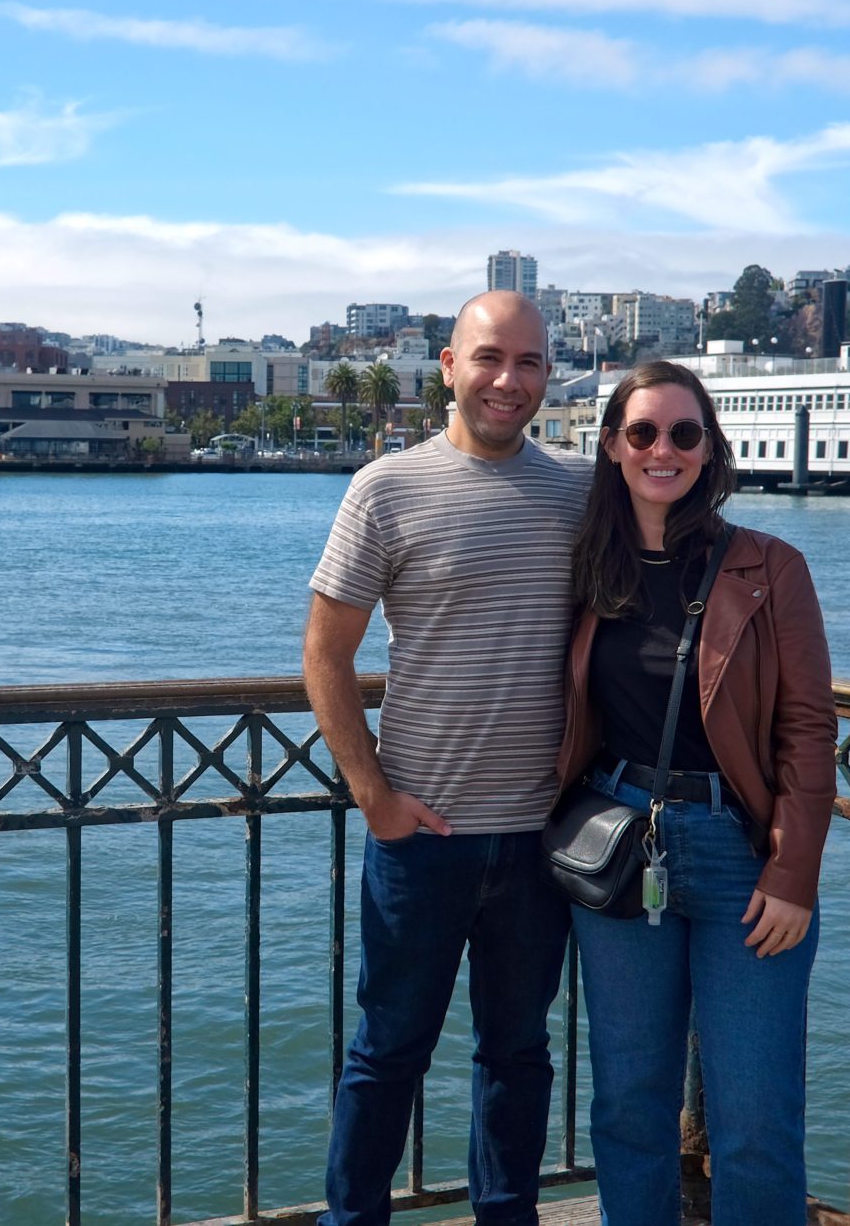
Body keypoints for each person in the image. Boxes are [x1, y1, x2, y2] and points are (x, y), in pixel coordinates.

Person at [304, 290, 588, 1225]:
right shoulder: (385, 488)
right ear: (449, 369)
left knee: (519, 1054)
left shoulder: (581, 496)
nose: (510, 380)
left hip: (544, 839)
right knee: (387, 1053)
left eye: (530, 363)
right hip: (422, 834)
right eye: (490, 358)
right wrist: (374, 796)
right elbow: (325, 655)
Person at [555, 361, 835, 1225]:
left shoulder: (768, 565)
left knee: (753, 1116)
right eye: (642, 433)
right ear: (612, 445)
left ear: (709, 448)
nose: (662, 450)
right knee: (629, 1104)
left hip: (738, 856)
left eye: (684, 433)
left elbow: (808, 731)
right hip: (621, 845)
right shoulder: (589, 566)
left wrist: (793, 873)